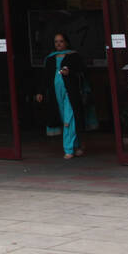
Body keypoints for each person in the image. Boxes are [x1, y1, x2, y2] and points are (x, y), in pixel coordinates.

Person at [35, 31, 87, 159]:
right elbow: (45, 77)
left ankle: (68, 149)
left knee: (69, 118)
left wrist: (70, 71)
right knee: (65, 118)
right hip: (55, 93)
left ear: (66, 42)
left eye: (61, 41)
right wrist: (40, 92)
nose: (58, 44)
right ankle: (77, 145)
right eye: (56, 42)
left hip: (70, 91)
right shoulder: (50, 58)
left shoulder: (73, 56)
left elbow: (82, 72)